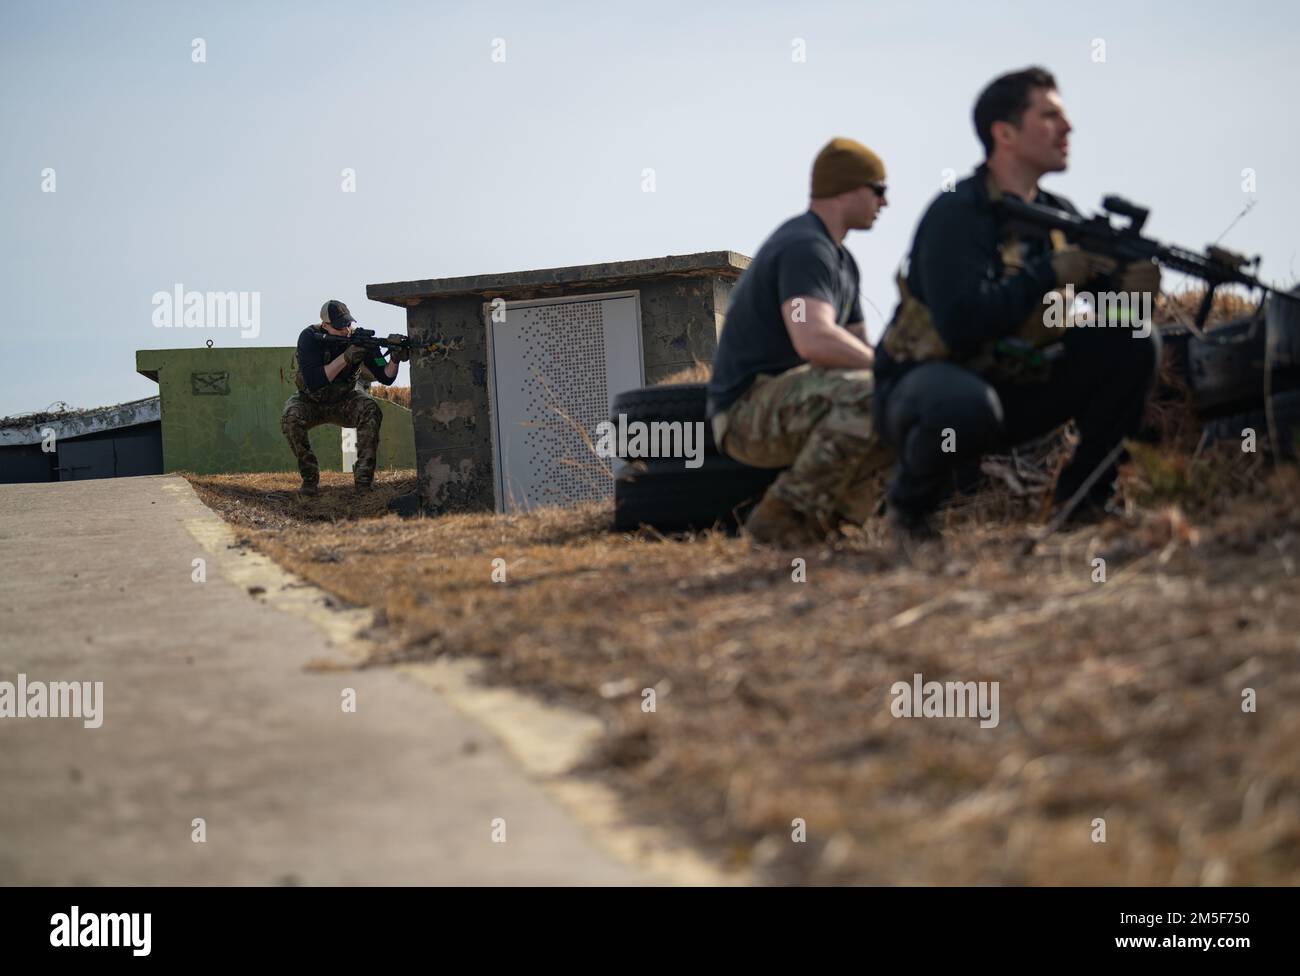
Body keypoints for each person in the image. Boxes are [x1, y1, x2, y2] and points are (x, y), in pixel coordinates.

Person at [873, 67, 1162, 540]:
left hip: (1013, 385)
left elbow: (1108, 326)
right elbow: (962, 325)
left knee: (1134, 340)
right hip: (922, 392)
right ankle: (909, 513)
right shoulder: (959, 213)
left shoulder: (1060, 218)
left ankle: (1084, 501)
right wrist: (1046, 273)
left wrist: (1133, 298)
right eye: (1049, 116)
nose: (1067, 129)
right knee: (964, 404)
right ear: (1004, 133)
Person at [707, 137, 893, 546]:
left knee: (903, 399)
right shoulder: (805, 246)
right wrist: (890, 369)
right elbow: (815, 339)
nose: (886, 203)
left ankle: (830, 528)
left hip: (792, 399)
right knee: (877, 394)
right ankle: (780, 521)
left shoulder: (843, 261)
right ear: (847, 189)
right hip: (744, 412)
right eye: (879, 190)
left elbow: (862, 350)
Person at [281, 300, 407, 496]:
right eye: (340, 327)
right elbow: (315, 381)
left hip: (345, 400)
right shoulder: (309, 338)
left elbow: (386, 377)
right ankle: (310, 478)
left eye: (348, 324)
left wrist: (395, 359)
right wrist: (346, 357)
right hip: (310, 401)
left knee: (370, 409)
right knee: (291, 417)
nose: (346, 330)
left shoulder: (359, 340)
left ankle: (364, 480)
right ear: (325, 326)